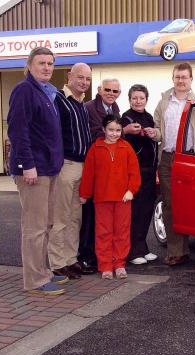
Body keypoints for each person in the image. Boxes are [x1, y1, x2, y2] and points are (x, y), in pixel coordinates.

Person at [7, 47, 68, 295]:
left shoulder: (45, 92)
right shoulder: (24, 90)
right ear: (30, 65)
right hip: (34, 170)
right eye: (41, 62)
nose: (47, 67)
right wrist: (27, 165)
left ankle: (43, 272)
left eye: (50, 63)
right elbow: (17, 131)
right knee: (35, 227)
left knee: (46, 223)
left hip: (49, 168)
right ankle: (35, 280)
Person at [146, 62, 195, 266]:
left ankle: (188, 245)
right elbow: (158, 130)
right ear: (173, 78)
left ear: (191, 79)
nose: (181, 81)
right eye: (177, 77)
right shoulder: (163, 102)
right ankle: (177, 251)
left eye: (184, 77)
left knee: (189, 204)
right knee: (170, 204)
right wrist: (153, 133)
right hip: (167, 158)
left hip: (190, 159)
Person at [79, 115, 141, 279]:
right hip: (102, 198)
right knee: (103, 232)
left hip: (123, 199)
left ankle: (119, 263)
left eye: (118, 130)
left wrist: (131, 190)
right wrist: (85, 194)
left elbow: (134, 172)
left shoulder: (126, 147)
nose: (114, 134)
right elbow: (88, 174)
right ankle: (105, 265)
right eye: (111, 130)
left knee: (122, 232)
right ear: (103, 130)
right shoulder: (95, 148)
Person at [47, 63, 92, 280]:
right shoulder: (58, 100)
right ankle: (57, 263)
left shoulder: (82, 105)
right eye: (80, 77)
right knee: (60, 217)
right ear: (69, 76)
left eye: (88, 79)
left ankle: (70, 259)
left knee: (76, 218)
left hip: (82, 167)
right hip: (65, 166)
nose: (84, 82)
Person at [78, 77, 122, 274]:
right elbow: (93, 135)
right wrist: (123, 131)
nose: (111, 93)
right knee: (89, 216)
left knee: (103, 219)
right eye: (108, 90)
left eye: (115, 91)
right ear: (99, 89)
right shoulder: (88, 108)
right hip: (93, 167)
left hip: (109, 173)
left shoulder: (115, 109)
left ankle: (100, 255)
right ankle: (85, 256)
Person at [121, 84, 159, 265]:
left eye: (141, 98)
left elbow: (155, 138)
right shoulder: (125, 118)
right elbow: (118, 139)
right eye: (134, 98)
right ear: (129, 99)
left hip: (150, 171)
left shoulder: (149, 117)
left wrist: (153, 133)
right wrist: (127, 131)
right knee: (134, 211)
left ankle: (142, 247)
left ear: (146, 99)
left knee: (146, 210)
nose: (138, 101)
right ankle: (132, 252)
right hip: (135, 171)